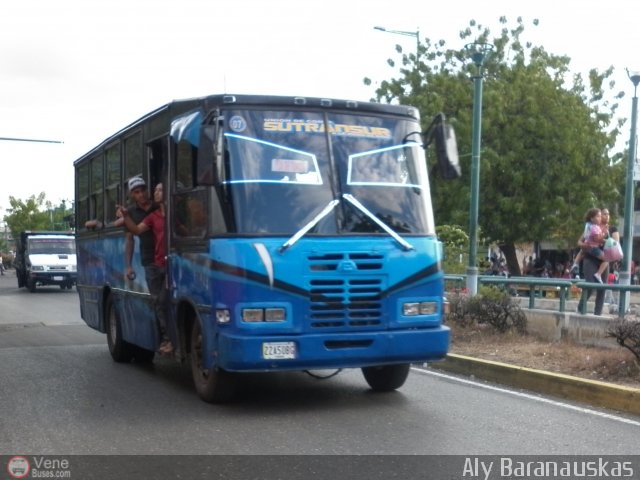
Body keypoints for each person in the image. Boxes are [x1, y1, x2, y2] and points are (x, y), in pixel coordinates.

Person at [118, 182, 172, 354]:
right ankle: (166, 339)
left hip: (172, 262)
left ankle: (170, 339)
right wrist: (128, 266)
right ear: (133, 195)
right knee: (159, 301)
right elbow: (132, 234)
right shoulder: (143, 215)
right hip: (152, 262)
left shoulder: (167, 211)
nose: (141, 194)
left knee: (167, 300)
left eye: (144, 190)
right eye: (136, 192)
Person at [571, 208, 607, 283]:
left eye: (600, 216)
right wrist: (605, 237)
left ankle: (575, 264)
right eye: (598, 216)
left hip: (588, 245)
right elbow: (597, 239)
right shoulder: (595, 227)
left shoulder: (588, 225)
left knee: (581, 252)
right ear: (592, 218)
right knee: (607, 259)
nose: (600, 218)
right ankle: (598, 274)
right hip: (593, 248)